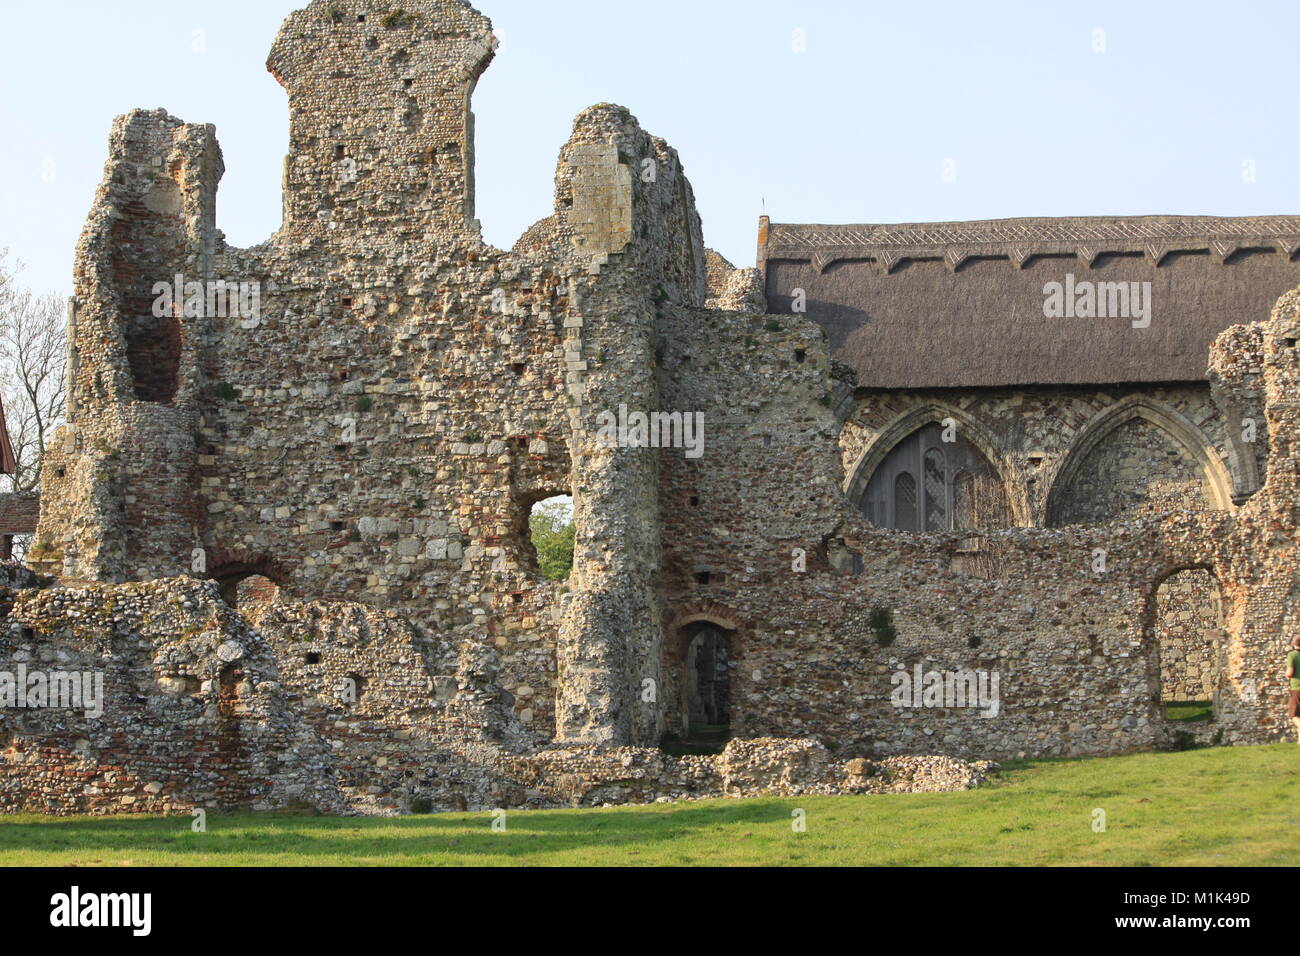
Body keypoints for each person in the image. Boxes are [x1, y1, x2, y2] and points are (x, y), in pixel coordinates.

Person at [1288, 636, 1300, 743]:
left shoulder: (1292, 655)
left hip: (1297, 687)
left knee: (1294, 714)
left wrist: (1287, 675)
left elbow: (1290, 672)